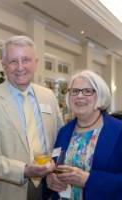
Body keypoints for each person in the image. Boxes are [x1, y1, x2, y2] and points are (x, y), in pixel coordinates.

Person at [0, 35, 63, 200]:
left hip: (48, 187)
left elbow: (60, 140)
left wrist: (56, 170)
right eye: (13, 61)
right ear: (4, 65)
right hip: (6, 191)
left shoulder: (48, 96)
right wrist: (24, 170)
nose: (20, 67)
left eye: (26, 60)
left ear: (35, 63)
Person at [45, 70, 122, 200]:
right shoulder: (64, 132)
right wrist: (49, 180)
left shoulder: (118, 131)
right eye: (74, 91)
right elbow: (54, 166)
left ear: (100, 95)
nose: (79, 96)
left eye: (87, 91)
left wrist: (89, 180)